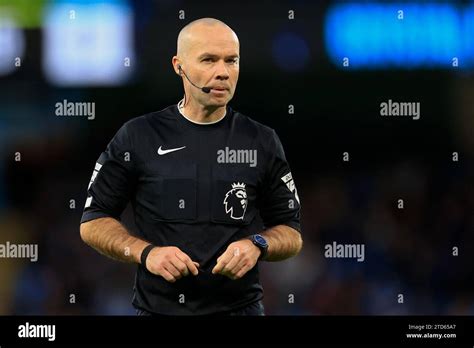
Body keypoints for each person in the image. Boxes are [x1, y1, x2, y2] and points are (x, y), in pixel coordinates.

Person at [79, 17, 303, 316]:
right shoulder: (138, 136)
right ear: (179, 65)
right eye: (209, 60)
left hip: (241, 310)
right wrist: (146, 253)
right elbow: (93, 221)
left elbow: (291, 232)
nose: (223, 72)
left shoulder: (261, 140)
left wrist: (257, 243)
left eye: (231, 61)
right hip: (159, 311)